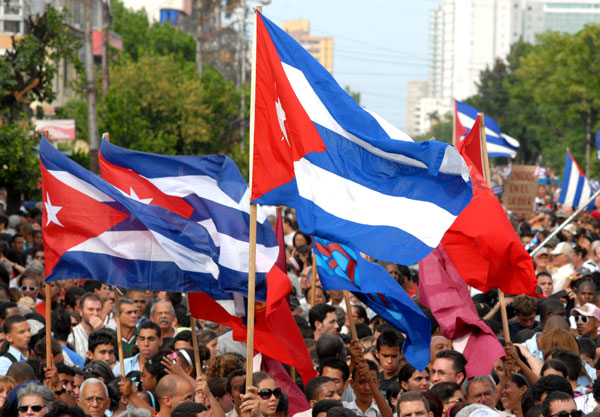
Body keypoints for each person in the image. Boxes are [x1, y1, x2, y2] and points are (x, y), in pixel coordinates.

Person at [68, 293, 104, 358]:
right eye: (91, 309)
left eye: (98, 310)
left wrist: (101, 332)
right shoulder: (72, 336)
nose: (95, 313)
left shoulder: (107, 332)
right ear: (81, 312)